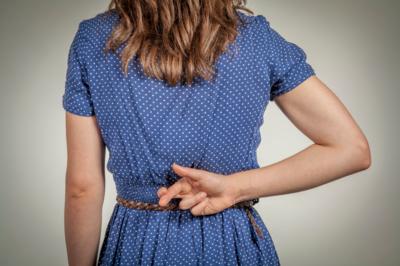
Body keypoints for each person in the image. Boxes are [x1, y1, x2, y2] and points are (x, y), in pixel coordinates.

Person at [62, 1, 371, 265]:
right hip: (229, 241)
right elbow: (351, 148)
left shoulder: (94, 39)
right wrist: (235, 188)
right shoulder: (256, 40)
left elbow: (82, 188)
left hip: (136, 243)